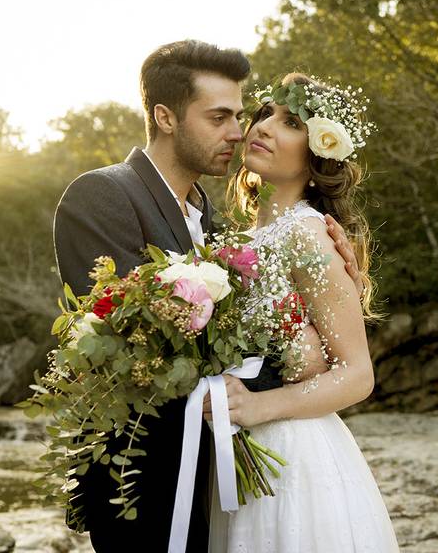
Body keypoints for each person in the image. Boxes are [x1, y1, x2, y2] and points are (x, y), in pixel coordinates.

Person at [53, 42, 361, 552]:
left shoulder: (218, 224)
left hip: (223, 482)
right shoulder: (103, 196)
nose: (240, 132)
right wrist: (295, 357)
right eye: (220, 117)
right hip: (143, 483)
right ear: (165, 117)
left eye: (241, 115)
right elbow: (138, 345)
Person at [205, 72, 400, 552]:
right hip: (236, 453)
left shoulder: (310, 235)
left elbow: (357, 375)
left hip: (293, 458)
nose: (264, 128)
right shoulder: (238, 240)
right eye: (264, 114)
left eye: (289, 121)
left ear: (317, 157)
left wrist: (256, 405)